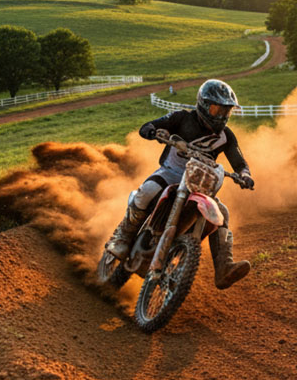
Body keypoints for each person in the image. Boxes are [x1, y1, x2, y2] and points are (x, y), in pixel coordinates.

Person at [105, 79, 255, 289]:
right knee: (148, 190)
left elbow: (239, 162)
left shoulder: (226, 136)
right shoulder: (182, 118)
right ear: (203, 104)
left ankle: (224, 268)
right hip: (170, 174)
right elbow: (152, 125)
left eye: (226, 111)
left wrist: (245, 175)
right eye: (216, 109)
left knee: (223, 213)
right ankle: (122, 236)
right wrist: (151, 130)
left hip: (201, 185)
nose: (221, 116)